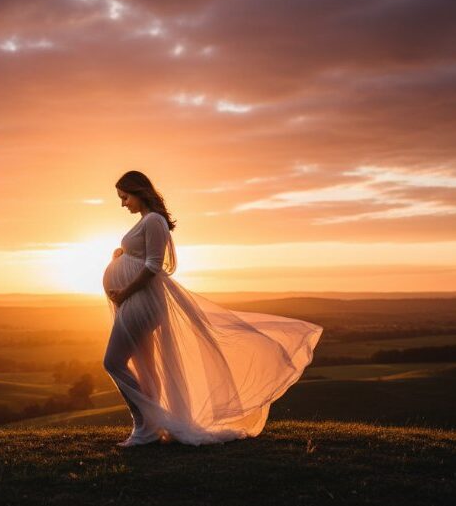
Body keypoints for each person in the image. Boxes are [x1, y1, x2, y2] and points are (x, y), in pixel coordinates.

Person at [102, 170, 323, 447]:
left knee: (112, 361)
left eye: (124, 197)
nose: (123, 203)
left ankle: (143, 426)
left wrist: (124, 292)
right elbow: (142, 257)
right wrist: (122, 256)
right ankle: (151, 425)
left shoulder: (154, 220)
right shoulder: (146, 221)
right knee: (145, 365)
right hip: (138, 302)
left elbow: (153, 266)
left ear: (137, 191)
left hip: (142, 302)